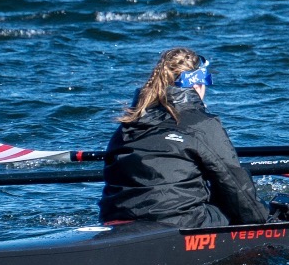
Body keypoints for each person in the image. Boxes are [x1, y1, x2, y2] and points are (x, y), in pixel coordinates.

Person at [100, 47, 268, 228]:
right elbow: (233, 183)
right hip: (178, 221)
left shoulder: (129, 123)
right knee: (236, 208)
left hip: (114, 216)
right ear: (197, 84)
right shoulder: (201, 124)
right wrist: (263, 218)